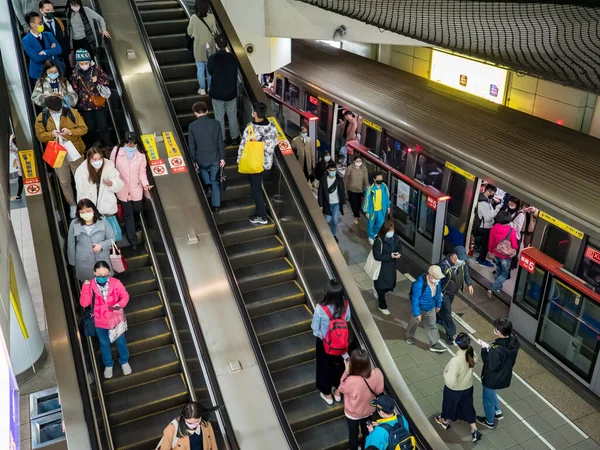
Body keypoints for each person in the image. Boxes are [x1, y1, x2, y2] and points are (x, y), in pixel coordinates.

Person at [35, 95, 87, 218]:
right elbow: (40, 135)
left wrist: (71, 132)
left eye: (58, 109)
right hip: (56, 152)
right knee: (64, 182)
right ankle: (72, 205)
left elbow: (84, 129)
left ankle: (84, 203)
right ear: (47, 108)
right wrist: (51, 134)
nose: (57, 111)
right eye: (54, 110)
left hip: (75, 150)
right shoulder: (42, 117)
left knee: (81, 179)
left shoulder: (72, 113)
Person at [79, 260, 130, 379]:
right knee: (104, 343)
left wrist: (120, 304)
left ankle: (124, 361)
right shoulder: (90, 285)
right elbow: (84, 303)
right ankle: (108, 365)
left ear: (109, 273)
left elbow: (125, 295)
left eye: (106, 275)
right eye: (100, 275)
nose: (103, 278)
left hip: (116, 319)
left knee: (121, 341)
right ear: (94, 273)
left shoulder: (116, 282)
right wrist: (86, 287)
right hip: (99, 321)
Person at [435, 333, 482, 442]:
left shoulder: (456, 361)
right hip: (468, 387)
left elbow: (450, 381)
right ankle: (474, 429)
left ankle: (444, 420)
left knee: (448, 406)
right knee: (467, 406)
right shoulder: (472, 353)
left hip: (454, 390)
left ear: (457, 344)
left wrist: (445, 374)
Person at [237, 102, 277, 225]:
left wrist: (239, 160)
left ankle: (262, 216)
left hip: (254, 164)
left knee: (256, 190)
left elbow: (243, 145)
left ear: (255, 113)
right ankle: (264, 211)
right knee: (259, 188)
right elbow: (271, 147)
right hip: (266, 165)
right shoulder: (272, 127)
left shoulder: (251, 128)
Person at [311, 280, 351, 405]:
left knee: (323, 367)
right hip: (342, 344)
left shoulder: (320, 308)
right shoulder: (346, 305)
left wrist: (323, 334)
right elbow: (347, 319)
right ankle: (338, 393)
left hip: (325, 344)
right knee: (340, 367)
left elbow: (315, 327)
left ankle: (327, 395)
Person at [110, 132, 152, 250]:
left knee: (137, 208)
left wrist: (145, 184)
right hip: (122, 188)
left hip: (136, 187)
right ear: (124, 142)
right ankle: (132, 240)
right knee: (128, 214)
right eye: (128, 144)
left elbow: (142, 172)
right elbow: (111, 167)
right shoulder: (117, 151)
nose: (130, 146)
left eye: (133, 145)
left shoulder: (141, 155)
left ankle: (136, 223)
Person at [477, 318, 520, 429]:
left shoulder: (496, 350)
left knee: (487, 399)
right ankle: (497, 412)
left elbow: (490, 364)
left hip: (492, 378)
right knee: (492, 393)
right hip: (504, 375)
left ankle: (489, 421)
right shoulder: (514, 342)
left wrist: (484, 349)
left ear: (499, 332)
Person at [338, 349, 384, 450]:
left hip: (353, 412)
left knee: (353, 434)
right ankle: (365, 446)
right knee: (366, 431)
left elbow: (341, 387)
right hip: (369, 410)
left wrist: (346, 371)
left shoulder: (351, 380)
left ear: (353, 364)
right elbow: (379, 390)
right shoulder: (377, 373)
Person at [188, 101, 224, 212]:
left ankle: (207, 184)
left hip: (201, 158)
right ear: (207, 111)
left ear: (195, 113)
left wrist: (193, 160)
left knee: (202, 168)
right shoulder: (216, 123)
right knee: (216, 181)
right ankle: (216, 206)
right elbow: (220, 142)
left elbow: (192, 145)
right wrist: (222, 157)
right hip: (214, 157)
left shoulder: (192, 126)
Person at [71, 49, 111, 147]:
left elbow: (107, 81)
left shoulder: (96, 69)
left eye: (86, 63)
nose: (84, 65)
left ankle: (107, 145)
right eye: (82, 63)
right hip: (84, 105)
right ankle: (90, 146)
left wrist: (98, 80)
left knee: (103, 126)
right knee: (90, 127)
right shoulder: (75, 73)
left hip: (98, 103)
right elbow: (74, 88)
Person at [67, 199, 115, 281]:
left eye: (88, 211)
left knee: (106, 285)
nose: (86, 214)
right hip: (83, 261)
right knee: (88, 288)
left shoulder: (102, 221)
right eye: (82, 212)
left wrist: (101, 245)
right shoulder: (74, 224)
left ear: (93, 210)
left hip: (102, 259)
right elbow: (71, 243)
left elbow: (112, 238)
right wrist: (72, 262)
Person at [207, 34, 240, 144]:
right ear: (226, 44)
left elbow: (210, 72)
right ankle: (235, 138)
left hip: (217, 93)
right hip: (231, 92)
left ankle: (222, 139)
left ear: (216, 44)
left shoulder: (212, 58)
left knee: (219, 117)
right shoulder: (232, 57)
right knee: (232, 115)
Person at [437, 246, 473, 344]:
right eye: (460, 259)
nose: (462, 262)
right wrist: (438, 293)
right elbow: (438, 280)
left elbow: (466, 273)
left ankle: (438, 317)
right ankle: (451, 334)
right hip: (445, 294)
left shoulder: (462, 263)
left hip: (453, 292)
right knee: (447, 313)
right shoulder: (444, 265)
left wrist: (469, 284)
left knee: (444, 310)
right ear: (453, 256)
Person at [405, 265, 446, 353]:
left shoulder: (437, 283)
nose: (438, 280)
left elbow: (438, 294)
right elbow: (415, 300)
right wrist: (417, 313)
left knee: (432, 325)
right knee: (413, 323)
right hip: (420, 309)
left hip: (431, 307)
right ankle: (408, 336)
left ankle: (434, 344)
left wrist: (438, 304)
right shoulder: (419, 284)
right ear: (431, 276)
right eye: (436, 277)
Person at [75, 145, 124, 218]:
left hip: (107, 208)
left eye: (100, 158)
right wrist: (88, 209)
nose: (98, 161)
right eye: (94, 159)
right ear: (89, 159)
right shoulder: (82, 171)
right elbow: (82, 192)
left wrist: (112, 183)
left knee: (110, 229)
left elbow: (120, 184)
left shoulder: (109, 166)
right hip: (91, 211)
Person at [21, 12, 63, 86]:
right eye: (40, 23)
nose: (42, 24)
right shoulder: (26, 40)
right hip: (39, 73)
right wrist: (52, 53)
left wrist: (45, 52)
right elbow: (36, 58)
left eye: (42, 22)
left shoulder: (48, 35)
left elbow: (59, 50)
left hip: (55, 71)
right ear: (32, 25)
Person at [187, 0, 216, 96]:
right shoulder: (211, 17)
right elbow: (214, 30)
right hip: (210, 47)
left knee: (200, 68)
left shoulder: (193, 18)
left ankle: (202, 89)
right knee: (209, 69)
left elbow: (189, 32)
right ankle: (210, 87)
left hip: (199, 47)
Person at [372, 221, 401, 315]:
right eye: (389, 230)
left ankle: (377, 289)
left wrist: (398, 253)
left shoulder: (395, 238)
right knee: (381, 287)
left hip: (391, 267)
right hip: (382, 267)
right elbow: (377, 256)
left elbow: (399, 247)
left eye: (392, 230)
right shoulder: (378, 241)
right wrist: (390, 256)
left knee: (389, 285)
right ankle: (382, 305)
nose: (391, 232)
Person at [487, 210, 518, 297]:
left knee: (498, 269)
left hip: (496, 253)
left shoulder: (494, 228)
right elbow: (515, 245)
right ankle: (493, 288)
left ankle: (498, 288)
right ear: (509, 220)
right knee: (504, 274)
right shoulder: (512, 231)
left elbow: (490, 241)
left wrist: (490, 251)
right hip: (506, 257)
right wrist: (513, 249)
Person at [475, 184, 503, 267]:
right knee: (485, 245)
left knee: (484, 243)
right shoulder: (483, 203)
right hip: (485, 227)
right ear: (487, 191)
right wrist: (497, 209)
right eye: (492, 193)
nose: (492, 195)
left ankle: (480, 257)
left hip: (486, 225)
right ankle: (481, 260)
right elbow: (487, 217)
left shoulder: (485, 200)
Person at [318, 161, 345, 242]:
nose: (333, 172)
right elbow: (320, 193)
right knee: (327, 220)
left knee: (335, 220)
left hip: (336, 203)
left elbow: (342, 191)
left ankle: (333, 234)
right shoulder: (323, 180)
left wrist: (343, 202)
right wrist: (320, 205)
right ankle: (324, 234)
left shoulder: (339, 179)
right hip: (327, 203)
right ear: (328, 170)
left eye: (334, 170)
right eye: (331, 170)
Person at [39, 0, 69, 70]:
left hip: (63, 56)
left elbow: (65, 36)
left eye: (52, 10)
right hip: (50, 59)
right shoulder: (40, 25)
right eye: (47, 10)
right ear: (41, 11)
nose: (51, 12)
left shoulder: (58, 21)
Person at [363, 172, 391, 245]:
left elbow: (387, 197)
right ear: (374, 179)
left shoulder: (384, 187)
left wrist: (388, 206)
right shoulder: (370, 188)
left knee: (381, 223)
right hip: (372, 210)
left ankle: (374, 233)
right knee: (371, 224)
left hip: (381, 210)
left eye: (381, 179)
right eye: (378, 179)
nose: (380, 180)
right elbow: (367, 200)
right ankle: (371, 237)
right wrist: (367, 211)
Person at [344, 155, 368, 224]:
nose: (358, 162)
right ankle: (356, 216)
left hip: (360, 189)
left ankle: (356, 213)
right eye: (357, 161)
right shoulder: (350, 168)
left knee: (359, 204)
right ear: (354, 161)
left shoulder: (364, 168)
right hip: (351, 189)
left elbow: (365, 179)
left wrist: (367, 186)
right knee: (354, 204)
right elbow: (346, 178)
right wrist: (344, 188)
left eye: (360, 161)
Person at [9, 134, 23, 201]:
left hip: (22, 168)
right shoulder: (20, 147)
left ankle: (18, 196)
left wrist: (10, 139)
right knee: (20, 181)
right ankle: (18, 195)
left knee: (20, 181)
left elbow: (10, 148)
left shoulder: (17, 149)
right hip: (22, 168)